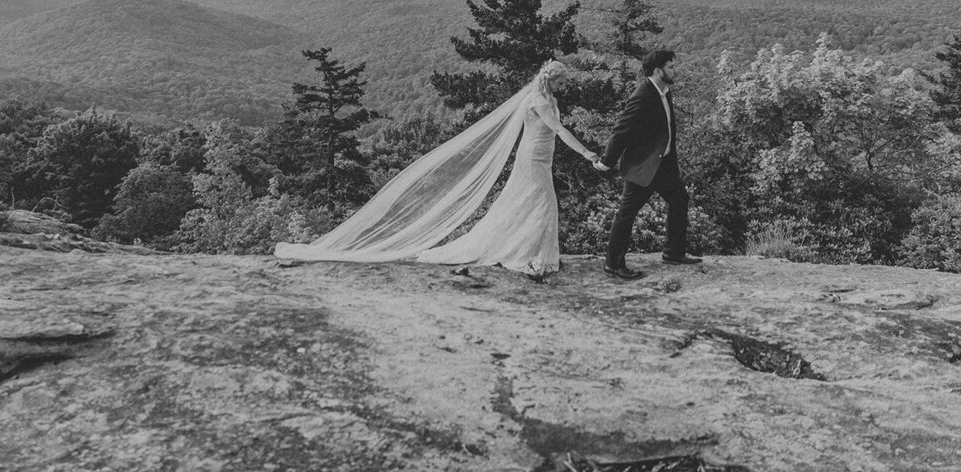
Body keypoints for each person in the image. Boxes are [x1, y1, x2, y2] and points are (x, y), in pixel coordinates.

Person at [274, 60, 600, 277]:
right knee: (541, 202)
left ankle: (533, 254)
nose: (565, 85)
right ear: (551, 79)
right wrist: (586, 152)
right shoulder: (540, 101)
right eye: (562, 80)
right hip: (533, 158)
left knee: (528, 203)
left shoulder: (544, 96)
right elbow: (559, 130)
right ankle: (531, 257)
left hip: (542, 156)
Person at [595, 49, 702, 280]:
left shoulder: (664, 90)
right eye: (671, 67)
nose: (675, 70)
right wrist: (606, 161)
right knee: (627, 213)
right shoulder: (642, 95)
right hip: (643, 166)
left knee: (679, 199)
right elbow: (621, 130)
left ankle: (673, 253)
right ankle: (613, 264)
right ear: (657, 70)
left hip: (663, 165)